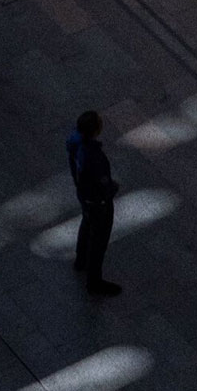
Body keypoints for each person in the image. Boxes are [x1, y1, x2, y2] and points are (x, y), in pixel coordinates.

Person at [66, 110, 121, 296]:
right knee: (99, 240)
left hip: (84, 196)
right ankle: (94, 282)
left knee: (86, 222)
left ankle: (80, 259)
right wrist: (111, 190)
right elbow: (103, 183)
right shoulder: (95, 156)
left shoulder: (74, 142)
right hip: (98, 203)